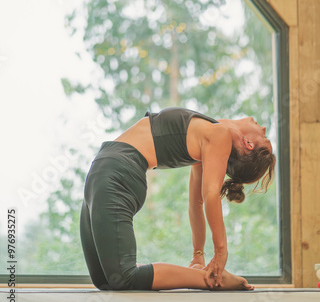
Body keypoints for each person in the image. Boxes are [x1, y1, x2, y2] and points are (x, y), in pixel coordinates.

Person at [80, 106, 276, 291]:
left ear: (248, 144)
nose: (264, 127)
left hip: (116, 173)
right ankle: (203, 274)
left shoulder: (220, 135)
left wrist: (221, 251)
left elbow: (210, 194)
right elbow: (196, 203)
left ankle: (210, 279)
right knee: (104, 280)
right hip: (103, 169)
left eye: (264, 136)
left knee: (122, 277)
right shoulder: (209, 134)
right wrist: (198, 256)